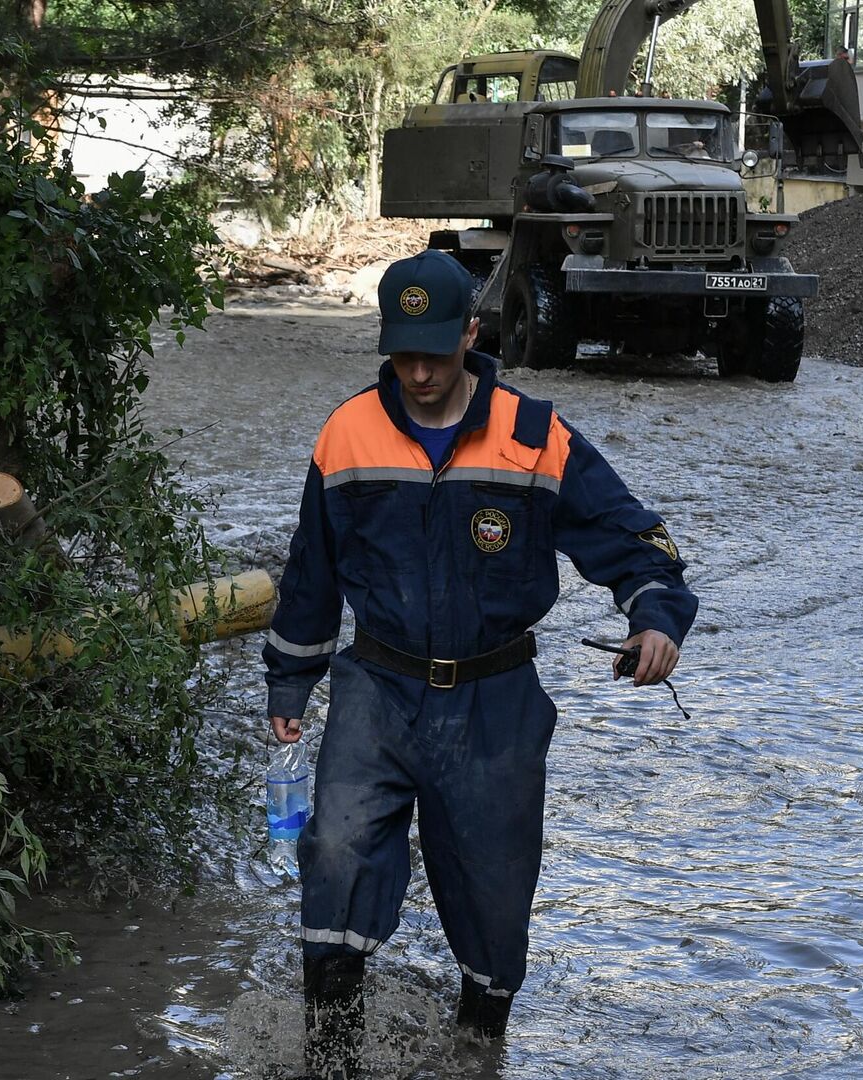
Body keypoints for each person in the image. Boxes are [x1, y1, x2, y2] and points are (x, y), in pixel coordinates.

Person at [263, 249, 697, 1078]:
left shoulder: (536, 438)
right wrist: (290, 680)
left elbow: (635, 539)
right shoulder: (347, 431)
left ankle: (476, 1056)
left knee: (496, 908)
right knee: (334, 857)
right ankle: (331, 1061)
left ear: (472, 332)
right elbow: (311, 571)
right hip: (377, 692)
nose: (419, 372)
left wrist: (656, 618)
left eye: (437, 350)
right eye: (403, 353)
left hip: (494, 704)